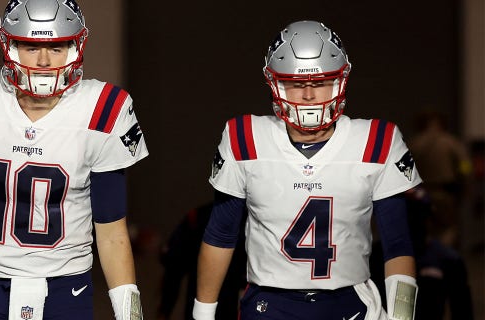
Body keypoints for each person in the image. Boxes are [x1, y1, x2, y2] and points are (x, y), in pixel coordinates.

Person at [0, 0, 147, 319]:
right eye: (32, 46)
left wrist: (131, 315)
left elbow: (112, 231)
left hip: (67, 285)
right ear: (9, 45)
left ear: (76, 46)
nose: (46, 60)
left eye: (58, 46)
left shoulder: (105, 107)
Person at [193, 20, 422, 320]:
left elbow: (398, 246)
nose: (309, 96)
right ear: (274, 82)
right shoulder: (244, 137)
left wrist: (402, 318)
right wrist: (202, 315)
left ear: (341, 81)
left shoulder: (378, 141)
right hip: (269, 304)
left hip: (352, 304)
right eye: (296, 83)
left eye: (320, 82)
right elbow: (221, 234)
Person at [370, 186, 475, 320]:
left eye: (417, 215)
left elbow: (463, 310)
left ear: (428, 218)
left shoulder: (447, 259)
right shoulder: (375, 257)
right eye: (406, 216)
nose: (411, 222)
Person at [156, 203, 247, 320]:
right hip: (199, 308)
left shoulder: (254, 225)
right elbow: (172, 272)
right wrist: (164, 311)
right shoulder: (196, 218)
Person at [409, 111, 472, 248]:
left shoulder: (414, 143)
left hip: (421, 194)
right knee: (447, 229)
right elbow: (465, 165)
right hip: (445, 193)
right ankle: (443, 257)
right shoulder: (451, 142)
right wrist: (466, 183)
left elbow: (404, 170)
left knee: (424, 229)